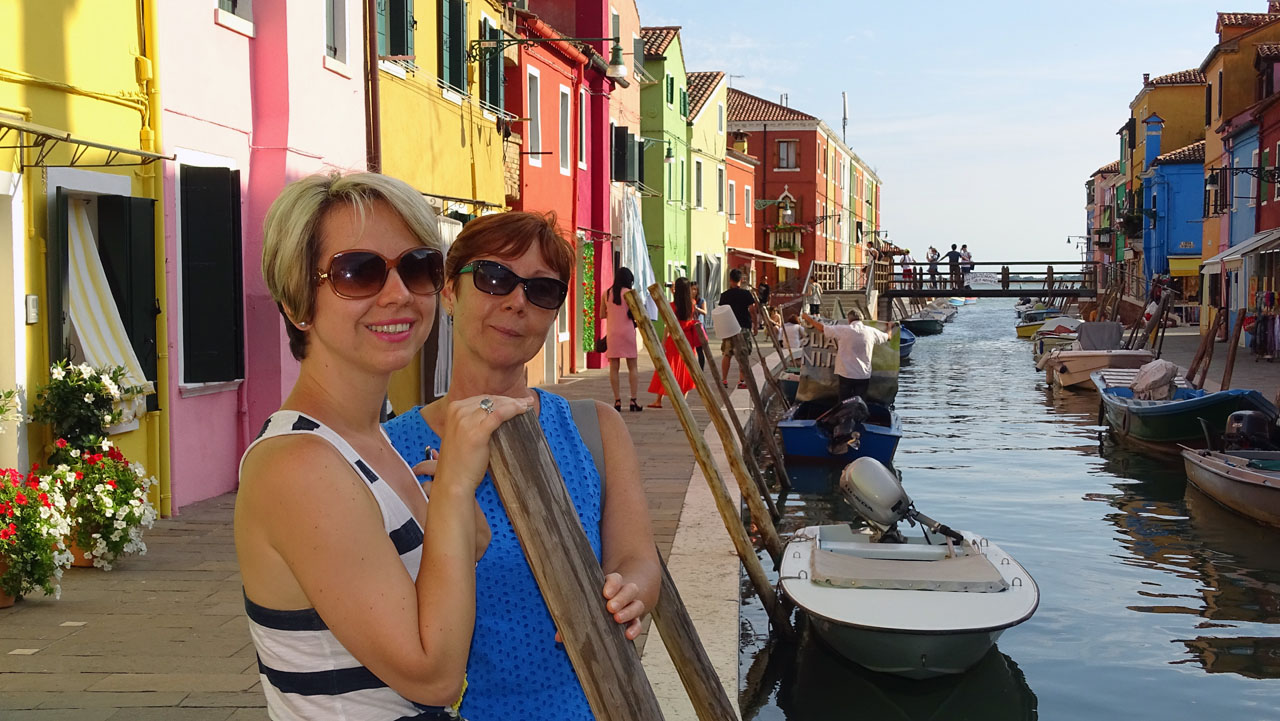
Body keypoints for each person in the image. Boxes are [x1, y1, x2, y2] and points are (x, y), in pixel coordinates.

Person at [236, 172, 531, 720]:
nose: (398, 294)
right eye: (358, 273)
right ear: (299, 302)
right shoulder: (300, 465)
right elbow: (434, 674)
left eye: (418, 268)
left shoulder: (368, 439)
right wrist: (456, 489)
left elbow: (432, 590)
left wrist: (458, 520)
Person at [383, 211, 660, 721]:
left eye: (542, 291)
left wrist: (629, 592)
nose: (516, 302)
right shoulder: (389, 450)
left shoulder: (596, 430)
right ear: (449, 291)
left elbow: (638, 557)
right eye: (493, 278)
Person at [800, 307, 892, 403]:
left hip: (846, 373)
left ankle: (843, 416)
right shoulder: (871, 331)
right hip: (863, 375)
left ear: (849, 319)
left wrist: (808, 318)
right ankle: (858, 417)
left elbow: (822, 329)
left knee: (843, 402)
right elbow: (888, 337)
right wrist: (890, 326)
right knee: (860, 403)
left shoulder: (843, 330)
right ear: (861, 319)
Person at [646, 277, 702, 409]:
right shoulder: (692, 304)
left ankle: (659, 399)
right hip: (687, 338)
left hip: (674, 339)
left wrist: (663, 341)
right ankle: (682, 400)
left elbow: (668, 325)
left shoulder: (671, 306)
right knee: (687, 369)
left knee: (667, 368)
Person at [604, 267, 642, 412]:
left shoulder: (607, 293)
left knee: (614, 368)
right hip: (628, 333)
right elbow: (638, 314)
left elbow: (602, 313)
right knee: (632, 366)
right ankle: (633, 400)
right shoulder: (630, 294)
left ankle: (617, 400)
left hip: (612, 333)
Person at [720, 268, 758, 389]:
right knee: (743, 354)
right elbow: (752, 310)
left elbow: (721, 312)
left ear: (730, 280)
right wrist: (755, 325)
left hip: (729, 327)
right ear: (740, 280)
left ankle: (724, 379)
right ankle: (741, 380)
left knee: (727, 354)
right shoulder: (746, 294)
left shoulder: (724, 295)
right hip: (743, 327)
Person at [691, 281, 709, 369]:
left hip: (699, 327)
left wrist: (697, 308)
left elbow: (705, 312)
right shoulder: (687, 300)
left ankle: (701, 369)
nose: (693, 291)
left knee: (700, 350)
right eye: (691, 289)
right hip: (689, 327)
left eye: (695, 289)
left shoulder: (701, 300)